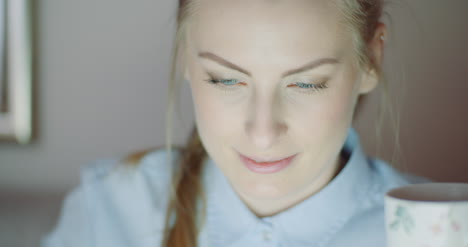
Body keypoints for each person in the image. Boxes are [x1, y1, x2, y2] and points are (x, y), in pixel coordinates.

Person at [41, 0, 432, 246]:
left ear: (372, 61)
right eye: (225, 79)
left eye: (306, 83)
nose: (262, 134)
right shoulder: (107, 208)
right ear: (184, 59)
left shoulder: (441, 231)